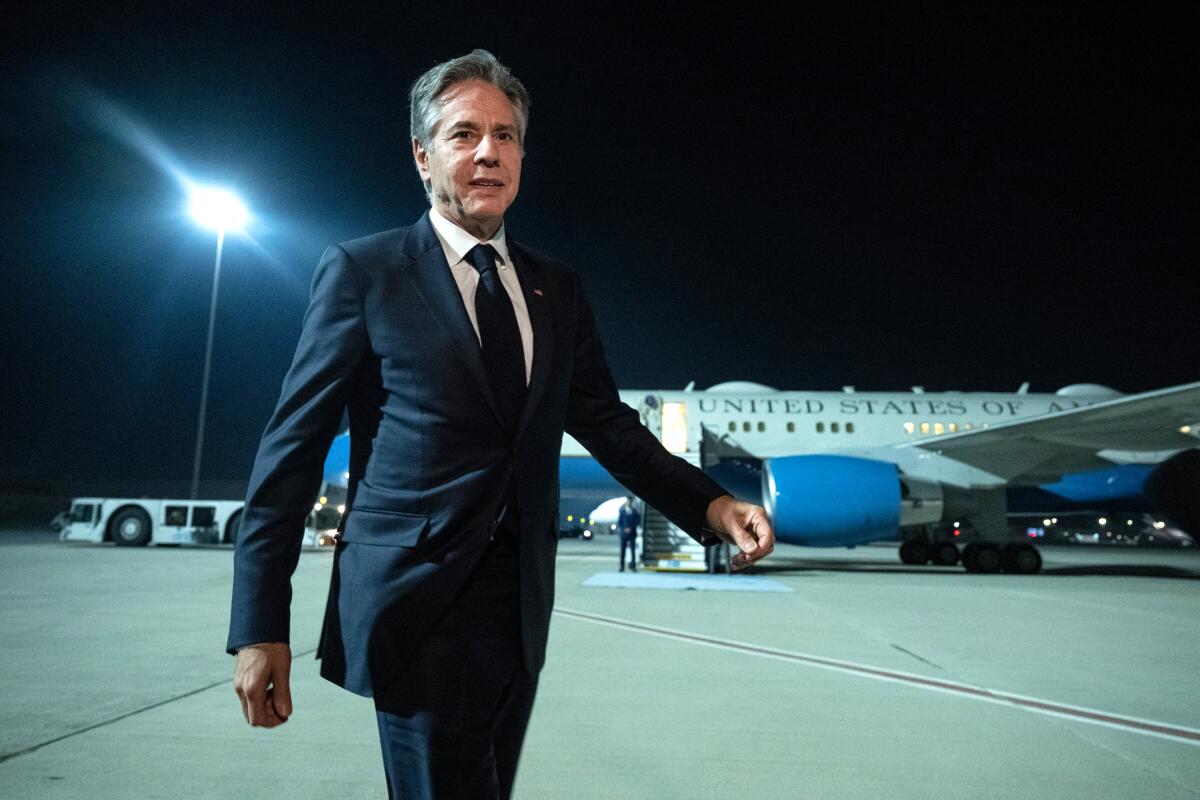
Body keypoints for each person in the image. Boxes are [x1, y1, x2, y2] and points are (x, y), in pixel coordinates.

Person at [227, 49, 774, 799]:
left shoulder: (557, 289)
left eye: (506, 135)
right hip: (415, 606)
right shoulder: (366, 273)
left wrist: (711, 504)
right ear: (423, 157)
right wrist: (261, 625)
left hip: (519, 615)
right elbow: (290, 454)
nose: (489, 151)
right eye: (464, 134)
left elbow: (608, 425)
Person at [618, 495, 640, 571]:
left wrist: (631, 528)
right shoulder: (622, 511)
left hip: (632, 533)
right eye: (628, 501)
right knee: (622, 551)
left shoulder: (635, 511)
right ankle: (621, 566)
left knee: (633, 551)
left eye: (630, 501)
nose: (629, 502)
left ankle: (633, 567)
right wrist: (624, 529)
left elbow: (637, 521)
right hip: (623, 534)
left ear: (632, 502)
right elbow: (620, 522)